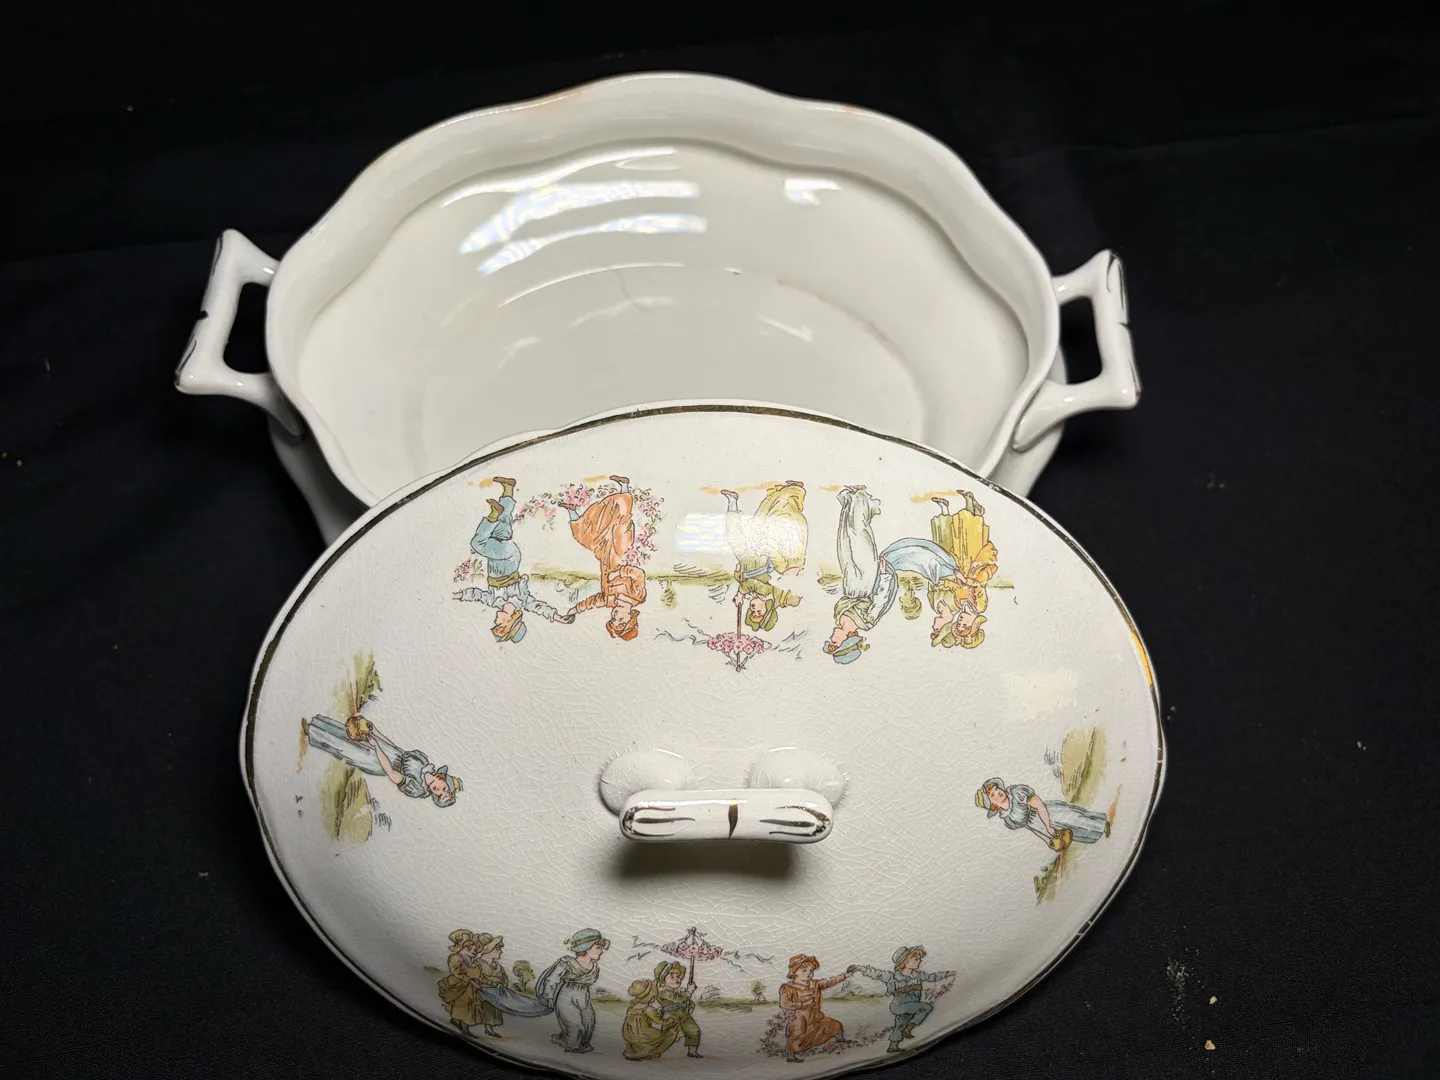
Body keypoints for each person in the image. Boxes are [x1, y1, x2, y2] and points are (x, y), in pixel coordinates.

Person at [825, 487, 964, 663]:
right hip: (868, 581)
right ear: (847, 640)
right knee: (860, 539)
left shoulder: (838, 616)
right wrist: (884, 575)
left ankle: (851, 500)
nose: (831, 638)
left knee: (845, 541)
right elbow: (882, 598)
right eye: (834, 642)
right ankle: (860, 499)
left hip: (852, 583)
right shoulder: (867, 621)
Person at [454, 477, 570, 642]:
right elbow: (539, 607)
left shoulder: (495, 601)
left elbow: (477, 595)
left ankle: (508, 489)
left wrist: (461, 595)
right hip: (508, 559)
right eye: (500, 624)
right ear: (511, 620)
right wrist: (557, 617)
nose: (496, 621)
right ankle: (493, 515)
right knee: (477, 543)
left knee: (502, 526)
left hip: (504, 556)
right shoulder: (522, 600)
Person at [300, 716, 459, 807]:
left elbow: (391, 773)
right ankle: (318, 724)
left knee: (345, 748)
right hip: (389, 751)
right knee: (350, 733)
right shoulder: (424, 762)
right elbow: (397, 749)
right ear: (442, 778)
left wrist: (376, 747)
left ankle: (313, 732)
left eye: (440, 795)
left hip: (378, 762)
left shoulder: (417, 788)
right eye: (444, 788)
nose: (439, 790)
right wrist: (375, 731)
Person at [563, 477, 647, 640]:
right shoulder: (637, 596)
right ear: (631, 616)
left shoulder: (609, 600)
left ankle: (572, 512)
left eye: (613, 620)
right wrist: (619, 573)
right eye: (621, 619)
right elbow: (638, 574)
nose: (615, 616)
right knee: (621, 523)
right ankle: (624, 487)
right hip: (622, 552)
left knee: (588, 540)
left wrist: (574, 610)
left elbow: (592, 602)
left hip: (606, 557)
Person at [721, 483, 807, 633]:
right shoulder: (769, 595)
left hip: (748, 560)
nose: (754, 609)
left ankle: (732, 502)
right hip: (762, 557)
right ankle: (792, 491)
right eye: (759, 612)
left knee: (733, 535)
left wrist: (741, 587)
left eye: (752, 612)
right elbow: (753, 584)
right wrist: (741, 593)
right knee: (774, 515)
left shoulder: (755, 595)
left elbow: (748, 583)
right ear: (768, 609)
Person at [847, 947, 954, 1053]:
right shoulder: (892, 977)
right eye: (916, 959)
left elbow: (932, 977)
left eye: (919, 959)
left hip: (912, 1005)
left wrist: (947, 973)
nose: (919, 961)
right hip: (899, 1005)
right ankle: (908, 1029)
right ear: (905, 961)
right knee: (926, 1007)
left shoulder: (918, 975)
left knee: (900, 1025)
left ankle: (893, 1047)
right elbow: (877, 973)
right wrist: (860, 968)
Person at [927, 492, 998, 649]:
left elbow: (956, 587)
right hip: (975, 569)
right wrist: (965, 580)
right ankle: (972, 504)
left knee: (959, 536)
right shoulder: (979, 607)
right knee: (971, 535)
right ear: (974, 623)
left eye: (959, 625)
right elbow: (978, 587)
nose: (961, 622)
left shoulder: (959, 603)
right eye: (965, 625)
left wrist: (947, 583)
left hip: (962, 567)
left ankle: (964, 507)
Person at [976, 777, 1111, 851]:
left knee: (1074, 819)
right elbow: (1029, 827)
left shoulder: (1016, 793)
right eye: (992, 795)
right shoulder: (1009, 819)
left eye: (996, 789)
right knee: (1073, 833)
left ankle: (1102, 825)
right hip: (1038, 826)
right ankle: (1096, 837)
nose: (998, 792)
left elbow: (1038, 804)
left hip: (1048, 813)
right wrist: (1047, 840)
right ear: (993, 805)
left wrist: (1048, 826)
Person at [534, 929, 609, 1053]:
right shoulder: (567, 963)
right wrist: (549, 996)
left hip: (583, 997)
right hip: (567, 996)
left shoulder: (594, 966)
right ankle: (571, 1048)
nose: (601, 951)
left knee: (588, 1022)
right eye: (598, 948)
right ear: (586, 948)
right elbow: (552, 979)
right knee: (574, 1025)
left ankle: (579, 1044)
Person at [622, 962, 703, 1060]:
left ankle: (692, 1051)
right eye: (672, 976)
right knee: (668, 1035)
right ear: (663, 978)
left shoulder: (677, 990)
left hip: (683, 1014)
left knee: (694, 1030)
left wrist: (690, 1003)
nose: (676, 979)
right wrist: (689, 991)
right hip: (670, 1016)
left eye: (678, 976)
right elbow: (678, 998)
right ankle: (652, 1050)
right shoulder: (663, 991)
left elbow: (683, 999)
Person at [438, 931, 509, 1038]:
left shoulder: (474, 963)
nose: (473, 951)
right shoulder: (455, 958)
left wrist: (491, 983)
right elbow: (456, 972)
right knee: (462, 1006)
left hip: (471, 989)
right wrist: (471, 981)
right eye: (470, 948)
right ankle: (463, 1027)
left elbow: (480, 976)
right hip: (459, 986)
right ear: (461, 947)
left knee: (470, 1008)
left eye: (475, 950)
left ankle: (459, 1022)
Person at [777, 955, 847, 1062]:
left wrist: (845, 975)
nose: (809, 973)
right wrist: (802, 1004)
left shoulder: (815, 984)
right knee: (797, 1035)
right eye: (804, 970)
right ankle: (791, 1056)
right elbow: (784, 1004)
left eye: (811, 970)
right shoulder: (788, 988)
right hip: (800, 1019)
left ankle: (842, 1041)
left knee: (834, 1024)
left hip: (816, 1017)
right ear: (794, 972)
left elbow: (830, 981)